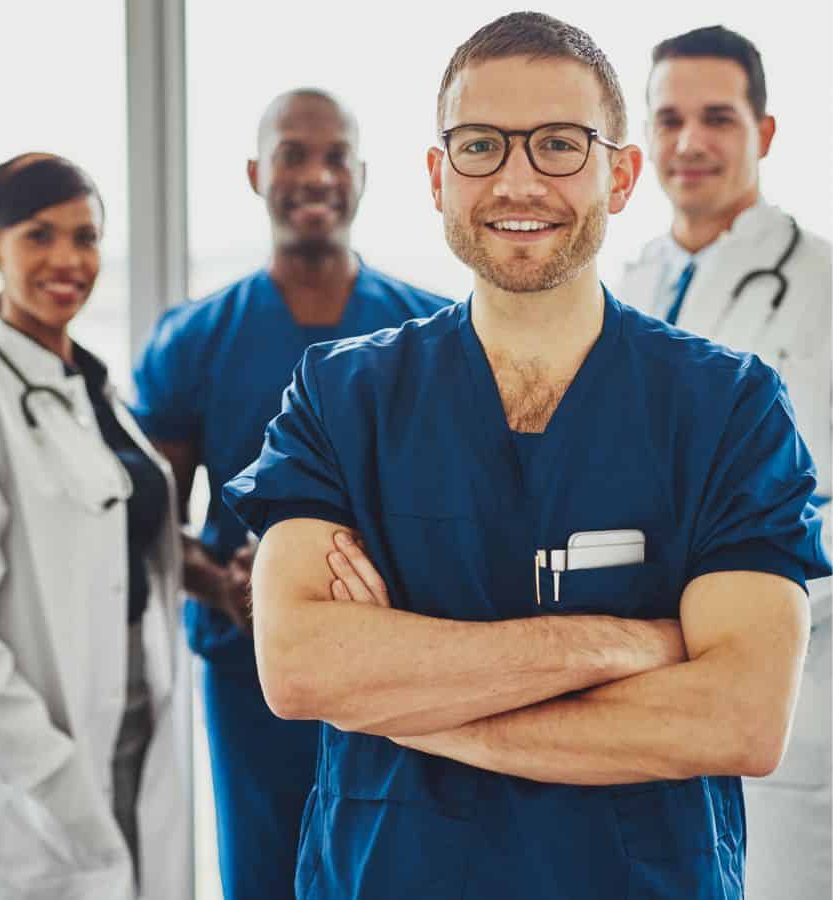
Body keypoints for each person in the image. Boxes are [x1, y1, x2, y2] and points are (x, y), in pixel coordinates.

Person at [224, 13, 830, 899]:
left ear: (620, 176)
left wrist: (407, 706)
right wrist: (624, 646)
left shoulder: (728, 407)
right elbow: (302, 668)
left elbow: (740, 717)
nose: (517, 179)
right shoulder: (341, 397)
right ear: (437, 175)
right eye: (479, 145)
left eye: (558, 144)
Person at [131, 89, 451, 899]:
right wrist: (225, 584)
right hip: (250, 678)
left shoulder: (432, 335)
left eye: (335, 155)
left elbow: (462, 506)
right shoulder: (196, 339)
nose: (316, 174)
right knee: (266, 875)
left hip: (395, 669)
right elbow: (152, 520)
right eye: (293, 154)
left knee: (393, 871)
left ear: (365, 176)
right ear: (255, 173)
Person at [0, 153, 192, 900]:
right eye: (40, 236)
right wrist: (51, 774)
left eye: (86, 238)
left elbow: (121, 544)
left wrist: (213, 572)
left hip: (139, 725)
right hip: (44, 761)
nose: (68, 261)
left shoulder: (95, 392)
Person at [617, 26, 832, 900]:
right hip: (639, 690)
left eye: (717, 117)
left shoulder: (820, 288)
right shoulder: (620, 287)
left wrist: (735, 623)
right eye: (668, 119)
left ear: (765, 132)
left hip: (795, 690)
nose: (690, 142)